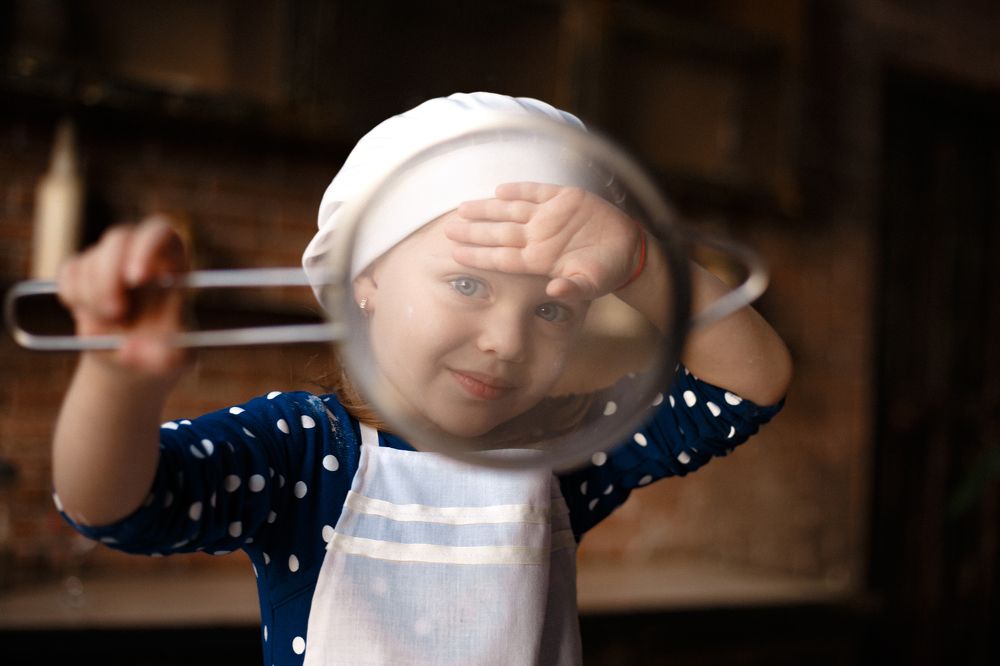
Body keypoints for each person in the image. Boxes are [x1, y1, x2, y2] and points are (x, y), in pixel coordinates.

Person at [51, 93, 792, 665]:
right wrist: (118, 380)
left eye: (552, 308)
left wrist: (642, 265)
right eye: (469, 287)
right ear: (363, 277)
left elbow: (745, 388)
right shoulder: (303, 450)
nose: (505, 341)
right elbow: (117, 505)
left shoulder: (561, 449)